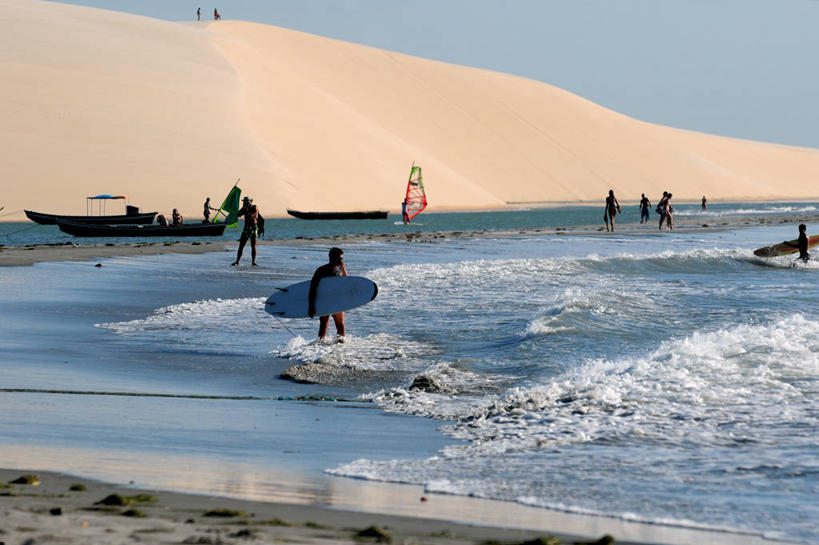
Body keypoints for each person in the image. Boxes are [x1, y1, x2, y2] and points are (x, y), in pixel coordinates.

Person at [308, 247, 348, 341]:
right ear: (331, 257)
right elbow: (313, 288)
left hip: (337, 300)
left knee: (340, 327)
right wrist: (311, 306)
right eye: (339, 258)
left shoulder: (340, 269)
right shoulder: (321, 270)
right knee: (323, 326)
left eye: (342, 258)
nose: (341, 260)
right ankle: (320, 347)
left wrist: (343, 268)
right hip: (324, 300)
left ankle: (340, 348)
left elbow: (347, 282)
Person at [232, 196, 259, 266]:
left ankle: (253, 262)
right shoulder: (244, 208)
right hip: (246, 228)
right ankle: (237, 261)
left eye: (246, 201)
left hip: (253, 228)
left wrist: (246, 210)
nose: (245, 203)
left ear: (250, 201)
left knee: (253, 245)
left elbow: (253, 216)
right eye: (244, 201)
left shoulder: (254, 207)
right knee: (241, 245)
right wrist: (241, 209)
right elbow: (238, 214)